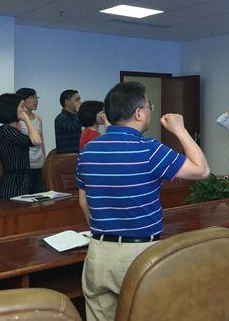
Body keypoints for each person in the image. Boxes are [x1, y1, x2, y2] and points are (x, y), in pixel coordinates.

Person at [76, 81, 210, 321]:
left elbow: (83, 202)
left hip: (98, 253)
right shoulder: (149, 149)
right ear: (138, 113)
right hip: (140, 255)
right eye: (149, 107)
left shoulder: (88, 150)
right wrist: (180, 130)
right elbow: (202, 171)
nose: (150, 112)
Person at [0, 93, 42, 198]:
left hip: (22, 181)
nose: (25, 110)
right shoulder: (6, 130)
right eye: (22, 106)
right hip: (13, 184)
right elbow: (36, 141)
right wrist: (27, 119)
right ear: (11, 109)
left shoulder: (14, 130)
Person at [15, 88, 46, 192]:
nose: (36, 100)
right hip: (25, 164)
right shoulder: (17, 121)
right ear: (22, 101)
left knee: (40, 192)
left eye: (36, 97)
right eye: (32, 97)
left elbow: (41, 141)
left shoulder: (38, 119)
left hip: (39, 162)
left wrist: (44, 158)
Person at [55, 89, 82, 153]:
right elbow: (74, 128)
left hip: (77, 154)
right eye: (77, 100)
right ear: (67, 102)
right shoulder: (60, 118)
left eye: (79, 99)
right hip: (67, 157)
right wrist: (78, 112)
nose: (80, 102)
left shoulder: (76, 116)